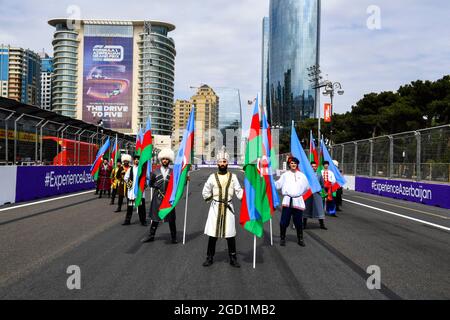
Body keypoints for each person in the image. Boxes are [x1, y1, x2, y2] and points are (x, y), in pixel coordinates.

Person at [201, 148, 243, 268]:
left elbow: (239, 192)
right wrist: (212, 199)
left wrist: (249, 195)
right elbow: (205, 191)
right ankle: (209, 257)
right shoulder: (212, 177)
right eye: (221, 162)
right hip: (215, 208)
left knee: (230, 234)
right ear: (217, 163)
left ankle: (233, 258)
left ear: (227, 163)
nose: (223, 164)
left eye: (225, 161)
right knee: (212, 234)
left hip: (228, 207)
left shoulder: (233, 177)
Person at [142, 148, 177, 244]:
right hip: (157, 197)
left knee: (171, 218)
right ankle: (151, 235)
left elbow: (177, 184)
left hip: (169, 198)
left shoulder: (173, 172)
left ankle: (174, 237)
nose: (165, 160)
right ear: (161, 160)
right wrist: (154, 185)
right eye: (163, 159)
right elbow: (150, 184)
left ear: (169, 160)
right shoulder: (155, 172)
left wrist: (186, 179)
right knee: (155, 217)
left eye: (166, 159)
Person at [275, 156, 310, 247]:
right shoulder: (285, 175)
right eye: (291, 163)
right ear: (289, 165)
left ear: (297, 164)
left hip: (298, 201)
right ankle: (282, 238)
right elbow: (278, 185)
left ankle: (300, 239)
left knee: (298, 221)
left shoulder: (302, 176)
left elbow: (307, 188)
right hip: (287, 201)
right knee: (284, 221)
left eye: (295, 163)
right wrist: (268, 181)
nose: (293, 165)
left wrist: (298, 194)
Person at [122, 154, 147, 226]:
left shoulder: (142, 169)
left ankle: (143, 221)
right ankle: (127, 221)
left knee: (141, 208)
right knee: (130, 207)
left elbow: (147, 178)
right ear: (133, 161)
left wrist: (144, 184)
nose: (136, 160)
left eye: (138, 159)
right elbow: (125, 178)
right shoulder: (130, 169)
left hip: (139, 192)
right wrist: (130, 184)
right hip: (132, 192)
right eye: (135, 159)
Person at [303, 161, 327, 230]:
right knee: (306, 209)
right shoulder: (306, 175)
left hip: (317, 194)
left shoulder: (319, 175)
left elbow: (322, 185)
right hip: (308, 194)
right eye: (312, 166)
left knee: (320, 209)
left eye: (315, 166)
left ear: (317, 167)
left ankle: (322, 224)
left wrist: (321, 191)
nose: (314, 168)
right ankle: (304, 224)